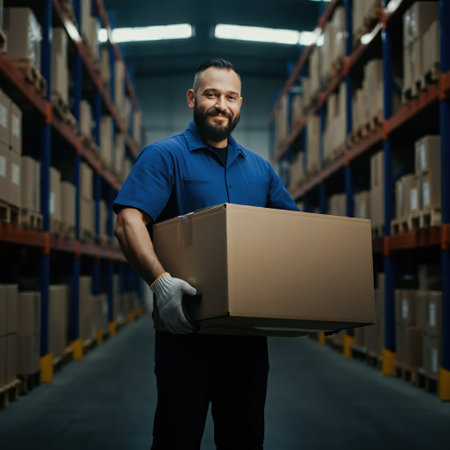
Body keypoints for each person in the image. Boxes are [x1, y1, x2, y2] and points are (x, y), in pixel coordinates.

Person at [113, 58, 300, 450]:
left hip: (248, 336)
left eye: (230, 97)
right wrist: (160, 283)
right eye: (211, 94)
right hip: (185, 329)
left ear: (240, 104)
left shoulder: (260, 170)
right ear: (191, 98)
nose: (221, 104)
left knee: (245, 440)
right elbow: (128, 221)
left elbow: (297, 235)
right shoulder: (164, 156)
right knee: (176, 440)